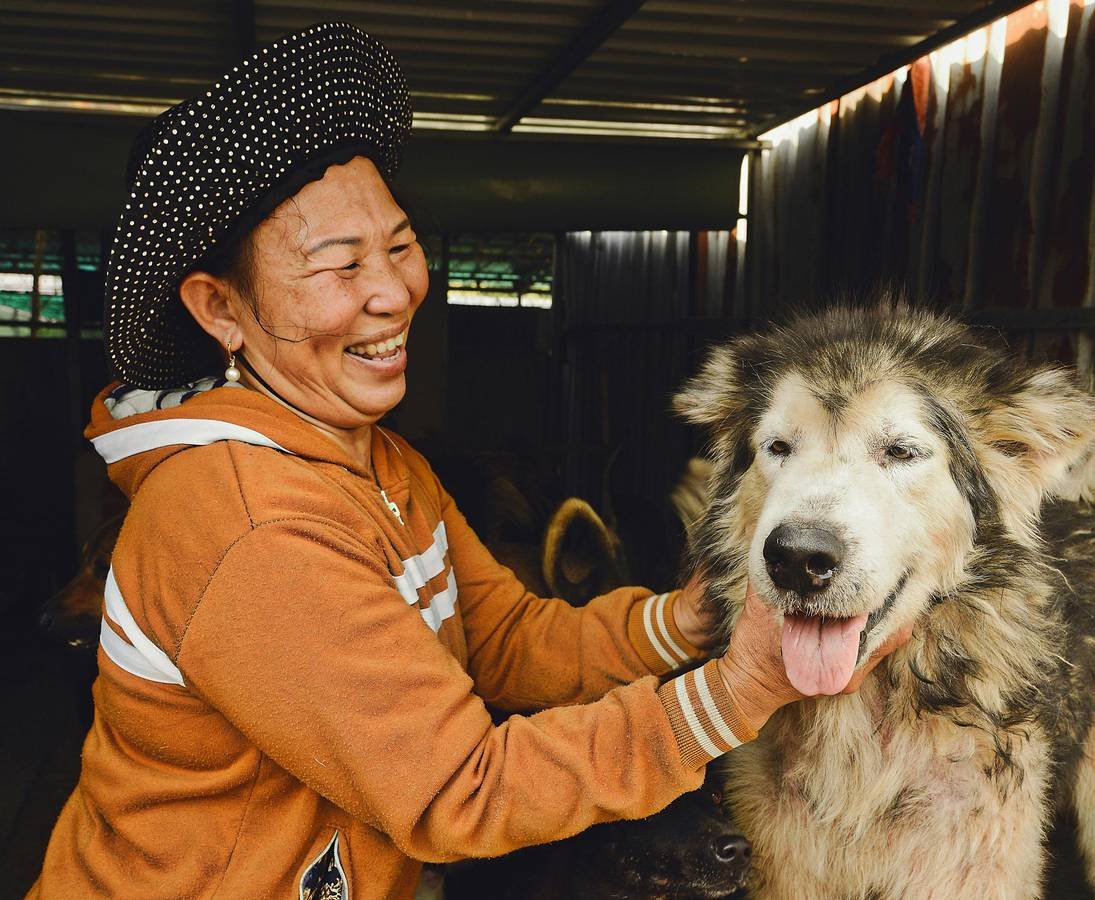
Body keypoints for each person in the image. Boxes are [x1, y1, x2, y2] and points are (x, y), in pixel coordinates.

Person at [30, 23, 909, 899]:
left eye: (401, 246)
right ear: (220, 309)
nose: (392, 291)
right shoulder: (247, 522)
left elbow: (499, 641)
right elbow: (463, 788)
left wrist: (684, 624)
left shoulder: (378, 462)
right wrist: (736, 690)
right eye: (339, 265)